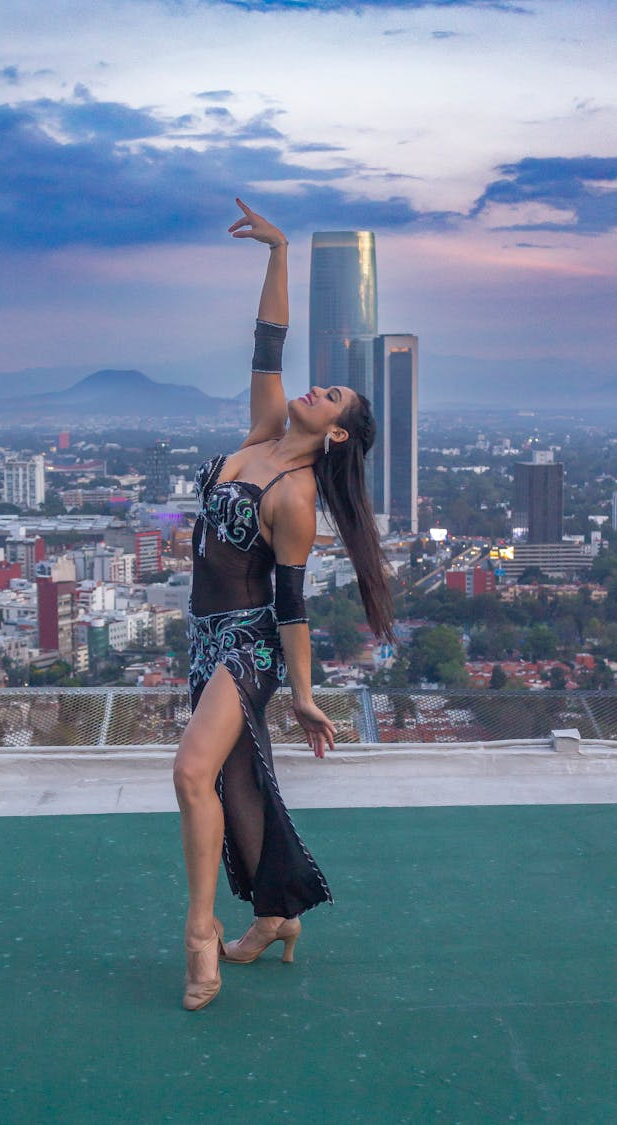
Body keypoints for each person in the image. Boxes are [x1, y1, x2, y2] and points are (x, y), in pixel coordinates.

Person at [174, 198, 395, 1011]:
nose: (315, 388)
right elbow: (267, 341)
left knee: (192, 772)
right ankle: (276, 914)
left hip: (246, 646)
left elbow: (292, 605)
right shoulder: (264, 429)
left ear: (337, 432)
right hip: (201, 638)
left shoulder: (295, 495)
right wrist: (277, 251)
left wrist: (301, 694)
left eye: (331, 393)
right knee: (235, 783)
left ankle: (200, 937)